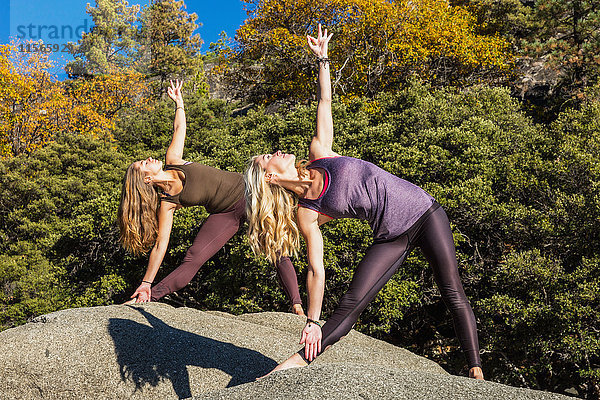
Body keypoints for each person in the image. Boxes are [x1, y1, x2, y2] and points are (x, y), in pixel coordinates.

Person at [244, 25, 484, 379]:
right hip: (392, 237)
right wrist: (312, 320)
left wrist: (323, 58)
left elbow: (324, 102)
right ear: (268, 177)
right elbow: (316, 269)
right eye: (268, 156)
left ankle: (476, 371)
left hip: (425, 212)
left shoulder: (319, 154)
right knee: (351, 305)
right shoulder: (307, 212)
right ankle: (294, 364)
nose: (277, 150)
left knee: (452, 291)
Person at [117, 79, 304, 315]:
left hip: (251, 192)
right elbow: (160, 246)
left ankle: (297, 304)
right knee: (193, 258)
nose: (149, 159)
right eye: (144, 164)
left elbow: (179, 129)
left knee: (277, 248)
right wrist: (146, 282)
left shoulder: (173, 159)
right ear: (145, 179)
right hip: (226, 215)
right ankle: (148, 296)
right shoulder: (168, 203)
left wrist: (179, 103)